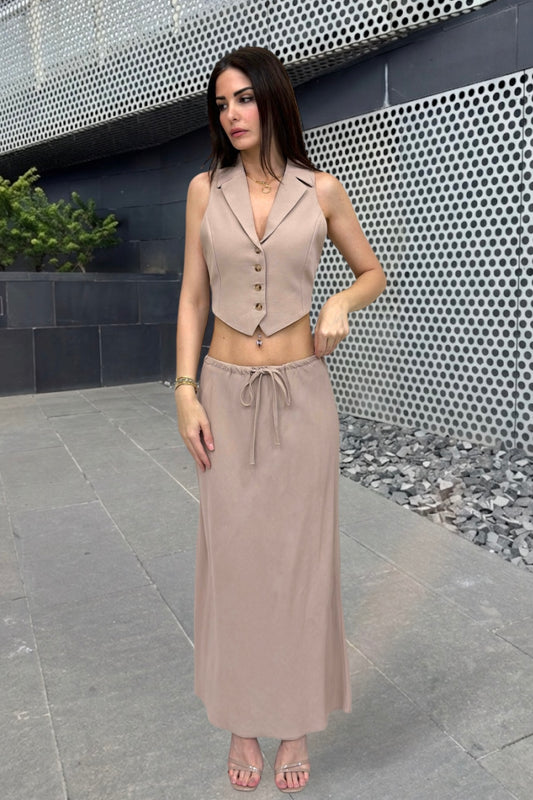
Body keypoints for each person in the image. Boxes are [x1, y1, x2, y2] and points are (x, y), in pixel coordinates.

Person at [175, 46, 386, 793]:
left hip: (303, 399)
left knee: (298, 569)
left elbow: (371, 271)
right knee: (232, 565)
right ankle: (240, 721)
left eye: (243, 99)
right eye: (221, 103)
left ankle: (292, 727)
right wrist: (184, 388)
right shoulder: (204, 190)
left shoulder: (321, 190)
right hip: (225, 397)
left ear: (272, 102)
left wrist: (337, 305)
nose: (231, 114)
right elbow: (194, 297)